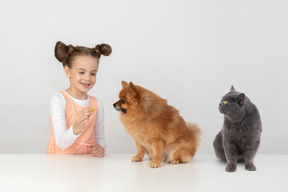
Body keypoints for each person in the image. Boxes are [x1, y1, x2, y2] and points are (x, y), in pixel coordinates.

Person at [46, 41, 112, 156]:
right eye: (81, 72)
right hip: (61, 164)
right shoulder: (59, 100)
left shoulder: (97, 104)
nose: (87, 78)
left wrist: (101, 148)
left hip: (88, 164)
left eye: (93, 74)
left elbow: (100, 139)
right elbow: (61, 143)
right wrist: (76, 128)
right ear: (68, 71)